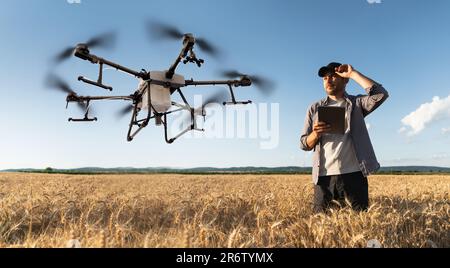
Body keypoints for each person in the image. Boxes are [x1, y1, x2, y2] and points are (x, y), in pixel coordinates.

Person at [300, 62, 389, 213]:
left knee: (358, 226)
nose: (328, 80)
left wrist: (353, 74)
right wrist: (316, 134)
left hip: (354, 176)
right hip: (323, 179)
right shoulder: (314, 108)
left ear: (344, 79)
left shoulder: (357, 104)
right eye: (325, 78)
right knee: (322, 229)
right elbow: (303, 144)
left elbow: (380, 94)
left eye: (334, 76)